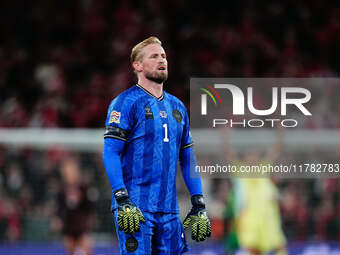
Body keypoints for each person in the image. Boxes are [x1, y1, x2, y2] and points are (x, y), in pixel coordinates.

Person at [102, 36, 211, 254]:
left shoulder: (178, 107)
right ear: (138, 65)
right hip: (135, 208)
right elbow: (110, 153)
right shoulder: (125, 103)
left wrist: (198, 202)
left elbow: (188, 158)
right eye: (154, 56)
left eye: (163, 56)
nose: (162, 59)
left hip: (170, 211)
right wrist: (122, 198)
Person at [221, 127, 287, 255]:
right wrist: (225, 137)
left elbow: (276, 152)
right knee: (254, 249)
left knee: (278, 245)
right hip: (248, 217)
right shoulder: (240, 171)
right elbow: (228, 154)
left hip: (268, 216)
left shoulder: (264, 168)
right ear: (245, 159)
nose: (252, 159)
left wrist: (280, 133)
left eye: (255, 156)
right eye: (249, 156)